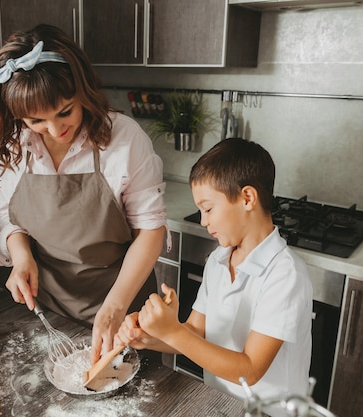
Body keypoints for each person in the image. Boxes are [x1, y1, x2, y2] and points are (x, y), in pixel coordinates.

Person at [0, 24, 167, 363]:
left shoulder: (123, 140)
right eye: (36, 121)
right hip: (51, 312)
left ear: (83, 92)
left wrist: (115, 308)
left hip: (124, 315)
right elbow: (9, 214)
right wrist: (21, 258)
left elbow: (150, 231)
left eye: (65, 111)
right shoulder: (15, 146)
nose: (55, 129)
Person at [116, 138, 313, 410]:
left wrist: (172, 332)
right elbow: (196, 332)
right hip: (220, 403)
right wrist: (151, 336)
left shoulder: (285, 274)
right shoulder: (218, 260)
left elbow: (251, 369)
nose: (203, 220)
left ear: (247, 198)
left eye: (208, 208)